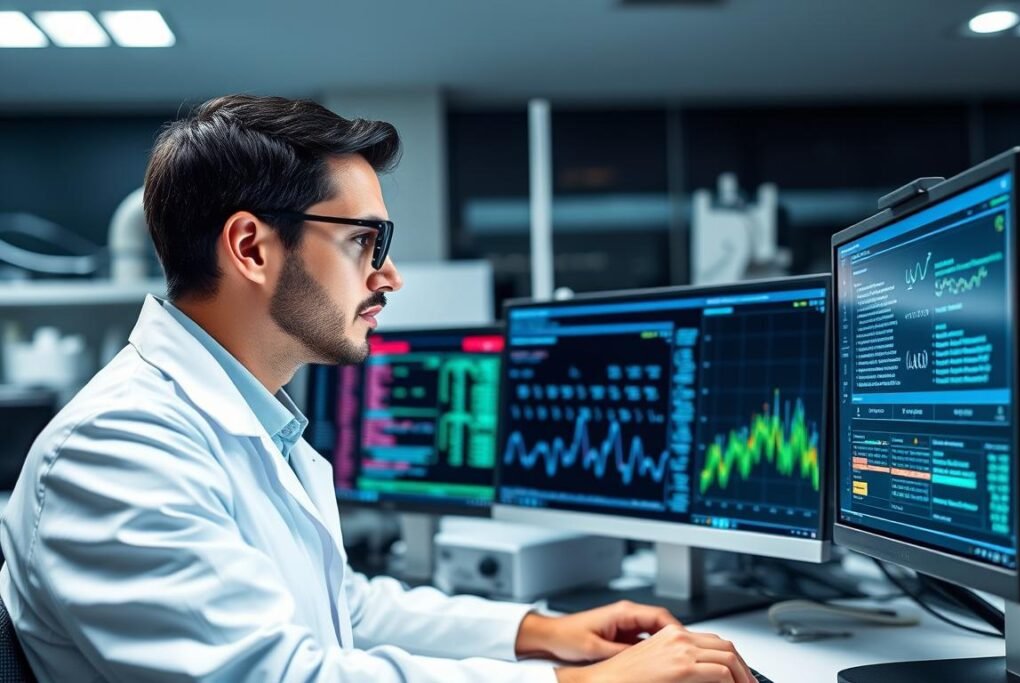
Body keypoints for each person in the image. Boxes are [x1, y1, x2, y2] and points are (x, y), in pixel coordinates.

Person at [0, 95, 755, 683]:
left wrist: (540, 631)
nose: (388, 274)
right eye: (365, 241)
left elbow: (343, 609)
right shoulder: (118, 446)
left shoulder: (252, 420)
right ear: (251, 246)